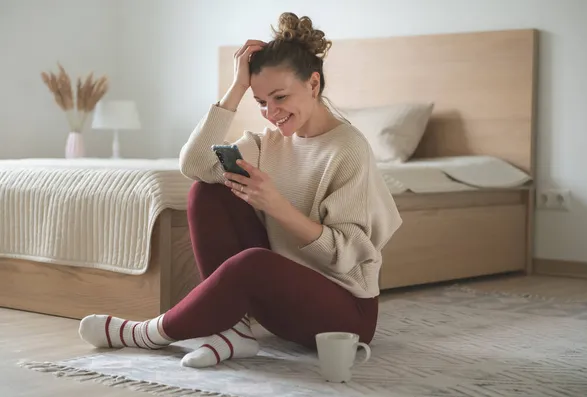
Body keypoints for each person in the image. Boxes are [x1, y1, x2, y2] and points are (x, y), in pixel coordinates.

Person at [78, 12, 402, 369]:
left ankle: (149, 333)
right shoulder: (268, 143)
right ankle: (234, 332)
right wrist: (236, 88)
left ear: (313, 84)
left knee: (254, 263)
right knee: (208, 191)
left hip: (344, 314)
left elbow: (348, 257)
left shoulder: (348, 148)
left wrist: (277, 206)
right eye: (261, 102)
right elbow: (195, 164)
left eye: (279, 97)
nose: (271, 113)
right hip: (282, 303)